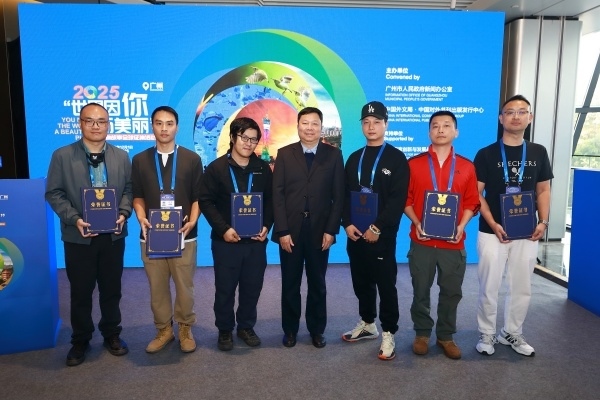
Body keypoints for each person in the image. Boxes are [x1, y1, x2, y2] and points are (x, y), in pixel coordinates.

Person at [45, 103, 132, 367]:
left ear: (108, 125)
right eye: (90, 121)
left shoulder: (121, 156)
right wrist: (75, 219)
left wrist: (123, 213)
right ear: (80, 123)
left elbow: (129, 190)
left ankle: (111, 333)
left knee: (111, 288)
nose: (96, 126)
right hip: (79, 235)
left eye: (101, 121)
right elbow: (54, 193)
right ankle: (80, 339)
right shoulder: (62, 155)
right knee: (81, 291)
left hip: (113, 235)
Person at [474, 94, 553, 357]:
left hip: (527, 232)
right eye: (510, 112)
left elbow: (543, 190)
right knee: (489, 285)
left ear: (530, 117)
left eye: (521, 112)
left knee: (522, 286)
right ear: (501, 118)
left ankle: (511, 332)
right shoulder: (486, 153)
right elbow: (476, 194)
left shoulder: (538, 152)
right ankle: (486, 332)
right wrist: (493, 223)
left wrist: (543, 221)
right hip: (491, 231)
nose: (516, 116)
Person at [404, 111, 480, 360]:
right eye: (435, 126)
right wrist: (417, 222)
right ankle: (422, 333)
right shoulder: (414, 164)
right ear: (429, 132)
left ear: (456, 132)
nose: (440, 129)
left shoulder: (467, 166)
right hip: (422, 241)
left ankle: (446, 336)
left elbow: (472, 201)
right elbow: (406, 200)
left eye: (447, 125)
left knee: (451, 292)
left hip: (453, 244)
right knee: (420, 290)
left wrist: (462, 226)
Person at [341, 101, 409, 361]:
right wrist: (346, 223)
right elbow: (344, 195)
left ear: (386, 124)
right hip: (355, 234)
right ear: (361, 125)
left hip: (382, 235)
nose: (371, 127)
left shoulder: (396, 158)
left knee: (385, 284)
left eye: (377, 122)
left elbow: (397, 200)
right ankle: (368, 323)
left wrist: (377, 227)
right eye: (366, 122)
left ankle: (389, 331)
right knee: (361, 281)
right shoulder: (354, 158)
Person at [131, 106, 202, 354]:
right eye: (159, 123)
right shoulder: (140, 160)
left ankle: (185, 328)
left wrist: (192, 222)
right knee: (157, 287)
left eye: (169, 123)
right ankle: (163, 330)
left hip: (184, 235)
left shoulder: (192, 159)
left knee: (185, 287)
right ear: (152, 126)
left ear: (177, 127)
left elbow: (198, 197)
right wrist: (141, 217)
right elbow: (137, 195)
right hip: (151, 235)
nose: (164, 128)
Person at [272, 106, 345, 349]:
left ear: (321, 128)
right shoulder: (284, 154)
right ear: (298, 126)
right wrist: (282, 231)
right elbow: (277, 195)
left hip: (320, 231)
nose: (310, 128)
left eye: (315, 124)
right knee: (290, 283)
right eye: (305, 123)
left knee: (318, 283)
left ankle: (317, 330)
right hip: (290, 231)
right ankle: (290, 330)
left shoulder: (333, 155)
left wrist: (331, 230)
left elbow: (338, 197)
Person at [199, 117, 273, 351]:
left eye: (253, 139)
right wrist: (223, 229)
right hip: (226, 242)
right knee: (225, 289)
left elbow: (271, 201)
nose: (248, 143)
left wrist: (266, 225)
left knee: (252, 287)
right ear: (232, 137)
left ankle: (246, 326)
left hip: (255, 242)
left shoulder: (262, 168)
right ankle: (224, 329)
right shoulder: (216, 168)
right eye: (244, 137)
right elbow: (205, 201)